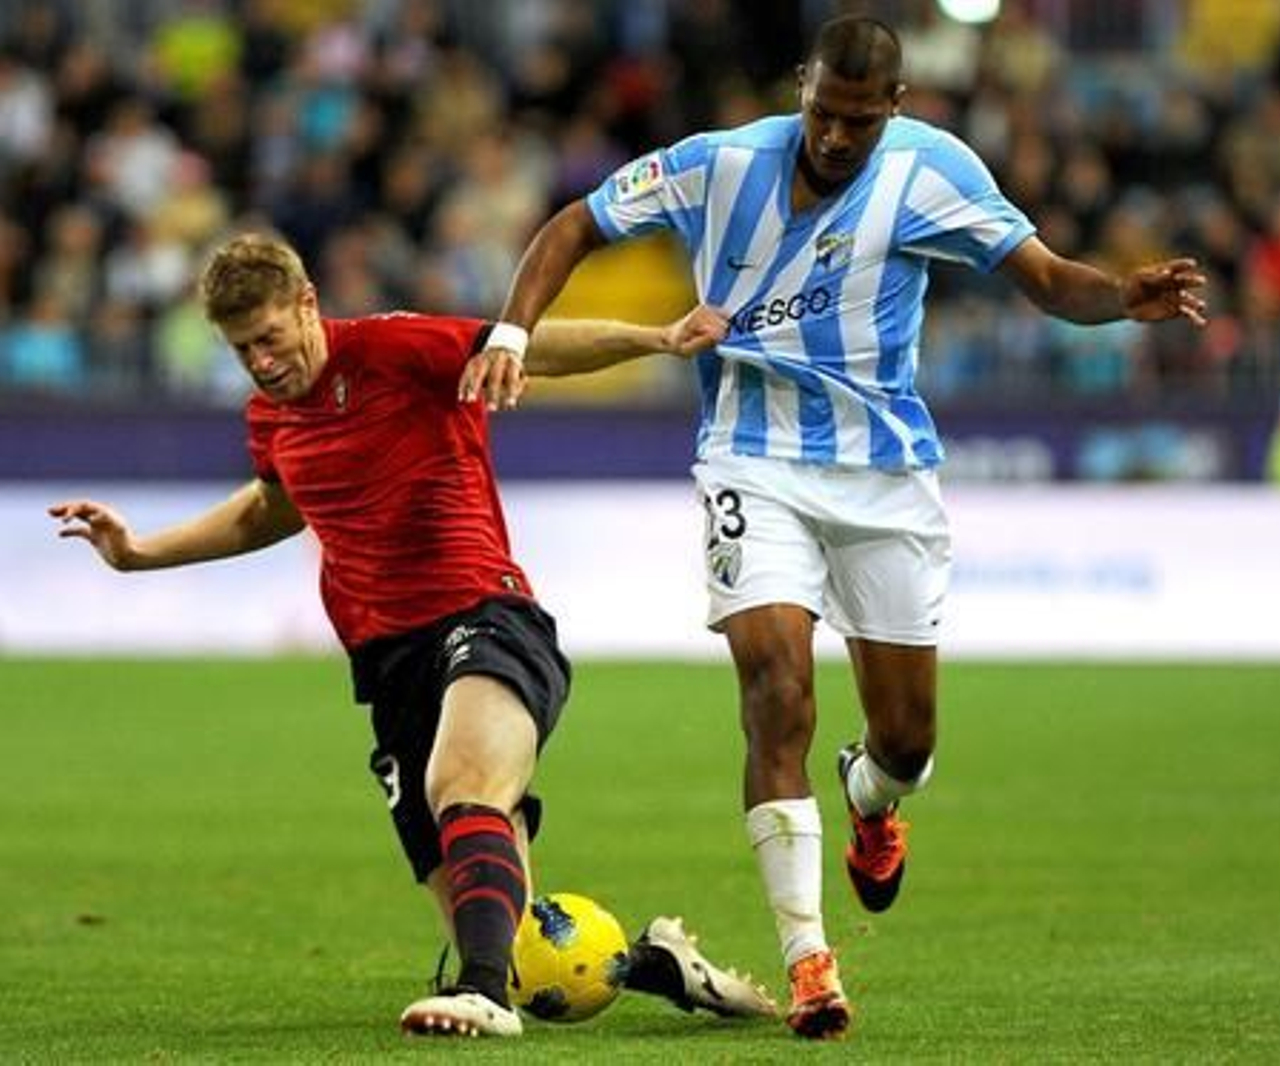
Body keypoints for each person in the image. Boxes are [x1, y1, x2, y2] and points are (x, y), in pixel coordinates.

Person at [463, 16, 1207, 1040]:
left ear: (893, 111)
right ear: (802, 89)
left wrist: (1121, 295)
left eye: (860, 121)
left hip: (884, 474)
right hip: (749, 457)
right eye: (824, 113)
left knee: (906, 738)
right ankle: (809, 957)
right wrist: (512, 327)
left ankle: (873, 800)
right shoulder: (719, 163)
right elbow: (574, 225)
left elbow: (1041, 277)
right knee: (776, 693)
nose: (838, 137)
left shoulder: (931, 171)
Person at [48, 231, 775, 1038]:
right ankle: (658, 965)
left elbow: (524, 345)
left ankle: (483, 999)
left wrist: (659, 338)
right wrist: (139, 553)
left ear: (306, 306)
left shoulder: (396, 348)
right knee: (507, 929)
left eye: (269, 339)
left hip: (483, 617)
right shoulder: (272, 417)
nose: (259, 361)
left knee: (463, 786)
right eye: (240, 347)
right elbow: (269, 509)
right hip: (387, 664)